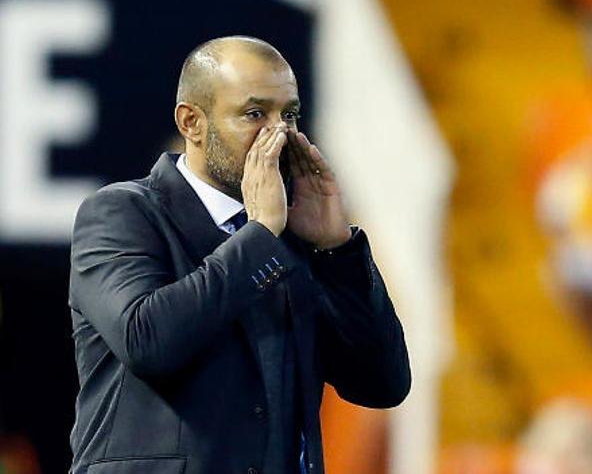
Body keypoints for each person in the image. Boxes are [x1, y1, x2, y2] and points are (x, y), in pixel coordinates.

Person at [67, 36, 411, 474]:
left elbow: (382, 384)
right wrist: (261, 236)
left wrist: (335, 248)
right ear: (192, 122)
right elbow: (147, 341)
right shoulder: (122, 212)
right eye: (254, 114)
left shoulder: (295, 238)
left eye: (289, 114)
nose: (279, 133)